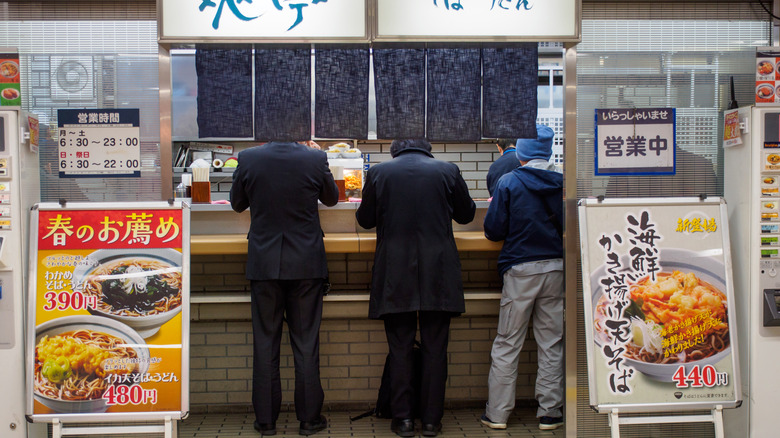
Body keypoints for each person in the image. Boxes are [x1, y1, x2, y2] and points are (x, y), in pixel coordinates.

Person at [356, 139, 476, 438]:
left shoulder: (380, 173)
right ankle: (432, 422)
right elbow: (467, 215)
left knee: (400, 348)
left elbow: (364, 220)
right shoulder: (448, 170)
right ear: (427, 149)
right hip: (439, 270)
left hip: (395, 271)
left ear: (395, 150)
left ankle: (404, 420)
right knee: (436, 349)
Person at [230, 140, 339, 437]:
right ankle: (308, 420)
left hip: (264, 263)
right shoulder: (316, 157)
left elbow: (237, 203)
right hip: (305, 263)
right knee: (306, 344)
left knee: (265, 343)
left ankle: (266, 421)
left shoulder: (248, 158)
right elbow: (332, 199)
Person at [479, 124, 565, 431]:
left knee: (508, 342)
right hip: (557, 268)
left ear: (522, 152)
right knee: (551, 341)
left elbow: (493, 230)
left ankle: (498, 414)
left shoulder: (508, 182)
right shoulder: (564, 184)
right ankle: (550, 412)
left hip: (520, 269)